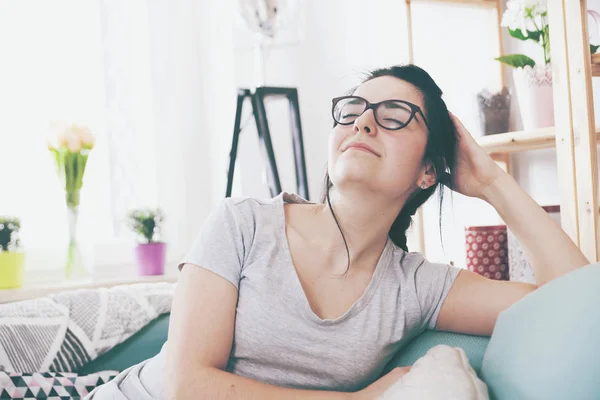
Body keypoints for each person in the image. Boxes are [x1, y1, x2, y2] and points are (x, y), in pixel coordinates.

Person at [86, 65, 589, 400]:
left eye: (395, 117)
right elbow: (185, 386)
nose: (364, 123)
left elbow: (580, 307)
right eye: (352, 110)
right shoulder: (242, 222)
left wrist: (493, 183)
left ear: (428, 171)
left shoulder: (415, 287)